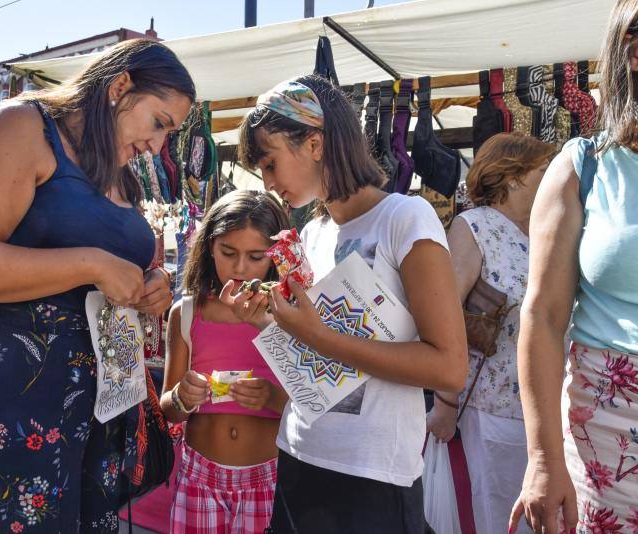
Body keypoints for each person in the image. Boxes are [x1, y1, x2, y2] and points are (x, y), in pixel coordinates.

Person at [0, 39, 194, 533]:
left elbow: (114, 268)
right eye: (158, 123)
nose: (158, 147)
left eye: (169, 134)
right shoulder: (25, 127)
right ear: (119, 87)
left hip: (101, 395)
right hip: (16, 389)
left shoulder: (119, 172)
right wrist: (89, 263)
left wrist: (151, 284)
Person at [223, 75, 468, 533]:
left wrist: (318, 335)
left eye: (270, 163)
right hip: (298, 457)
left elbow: (449, 368)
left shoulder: (404, 218)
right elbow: (316, 367)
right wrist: (268, 326)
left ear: (314, 144)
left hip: (372, 477)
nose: (268, 183)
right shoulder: (311, 235)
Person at [511, 2, 638, 532]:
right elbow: (541, 318)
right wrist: (543, 460)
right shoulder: (584, 167)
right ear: (632, 52)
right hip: (606, 435)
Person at [425, 133, 555, 534]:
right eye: (543, 171)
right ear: (512, 176)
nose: (553, 178)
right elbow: (444, 316)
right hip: (491, 409)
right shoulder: (474, 227)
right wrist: (445, 404)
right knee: (499, 519)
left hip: (545, 411)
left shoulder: (543, 231)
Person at [161, 190, 289, 533]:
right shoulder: (186, 313)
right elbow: (168, 409)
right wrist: (181, 398)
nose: (240, 268)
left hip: (270, 478)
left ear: (276, 257)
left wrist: (271, 397)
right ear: (208, 248)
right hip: (198, 477)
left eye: (256, 256)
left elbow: (310, 404)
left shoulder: (291, 319)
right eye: (228, 253)